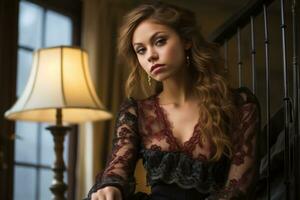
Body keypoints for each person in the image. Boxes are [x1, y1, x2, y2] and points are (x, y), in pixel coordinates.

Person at [87, 1, 260, 200]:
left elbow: (238, 189)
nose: (151, 55)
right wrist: (111, 188)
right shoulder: (137, 112)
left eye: (160, 41)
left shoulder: (239, 105)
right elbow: (117, 171)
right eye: (141, 50)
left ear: (186, 40)